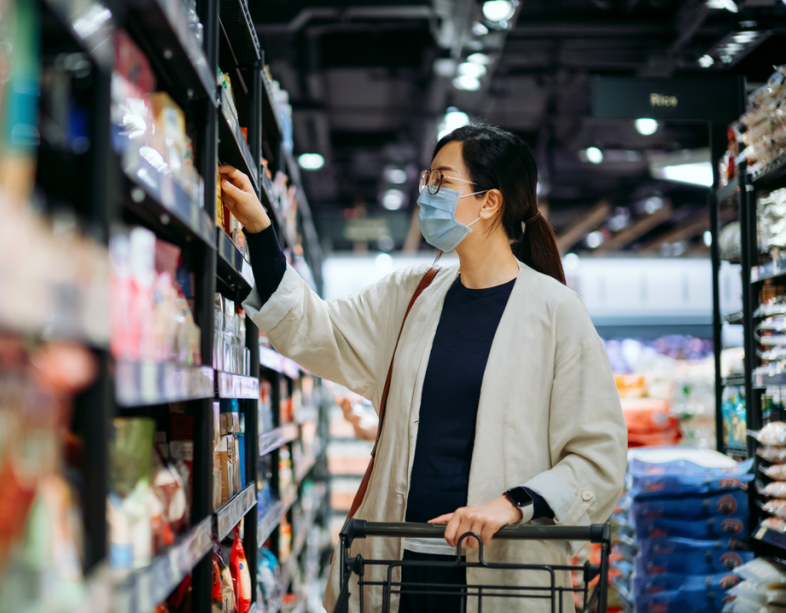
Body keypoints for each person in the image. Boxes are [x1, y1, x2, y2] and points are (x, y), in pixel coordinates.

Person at [219, 123, 627, 613]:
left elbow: (599, 458)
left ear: (489, 203)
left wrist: (513, 503)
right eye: (425, 179)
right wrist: (261, 231)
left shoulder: (557, 312)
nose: (425, 193)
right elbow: (318, 328)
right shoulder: (411, 295)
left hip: (504, 575)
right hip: (400, 560)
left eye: (441, 180)